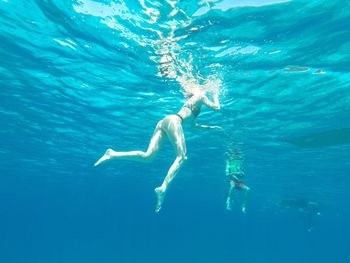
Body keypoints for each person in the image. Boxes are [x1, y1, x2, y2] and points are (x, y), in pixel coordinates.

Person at [94, 88, 221, 213]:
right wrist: (215, 94)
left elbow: (194, 126)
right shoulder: (200, 95)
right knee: (182, 157)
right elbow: (217, 107)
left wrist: (210, 128)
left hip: (165, 121)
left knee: (148, 157)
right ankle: (163, 188)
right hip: (174, 121)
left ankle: (113, 154)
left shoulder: (193, 103)